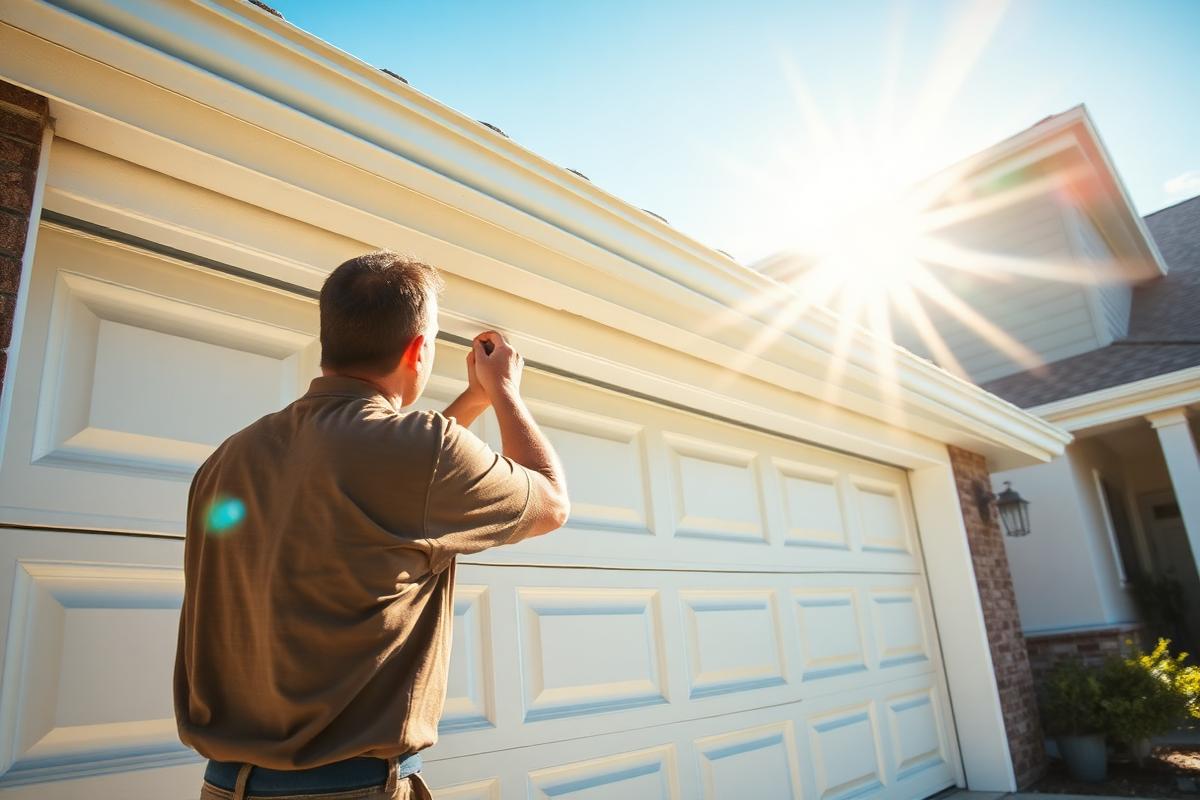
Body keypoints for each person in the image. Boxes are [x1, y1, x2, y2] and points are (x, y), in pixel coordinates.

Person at [174, 251, 570, 800]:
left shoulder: (226, 459)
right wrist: (503, 389)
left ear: (329, 338)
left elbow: (401, 482)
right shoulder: (422, 451)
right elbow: (549, 500)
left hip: (223, 788)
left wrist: (471, 402)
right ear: (419, 349)